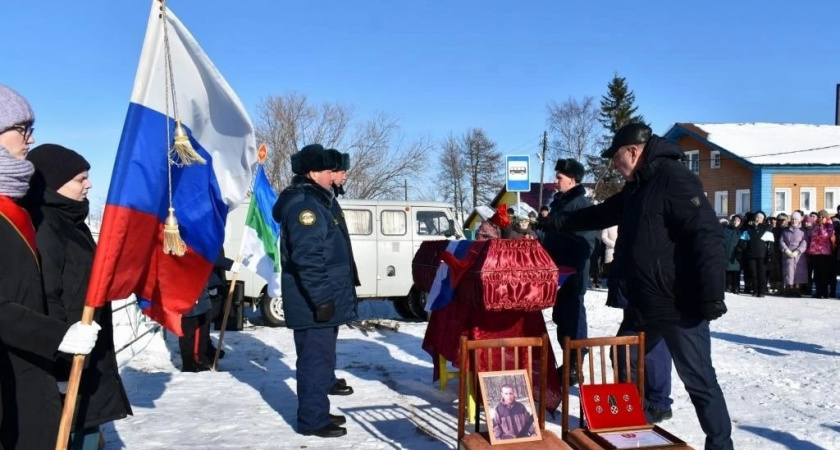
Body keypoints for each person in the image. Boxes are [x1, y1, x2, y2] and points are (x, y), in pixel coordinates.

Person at [540, 123, 734, 450]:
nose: (615, 165)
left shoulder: (674, 179)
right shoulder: (636, 187)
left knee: (699, 381)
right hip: (644, 303)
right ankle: (634, 426)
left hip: (679, 302)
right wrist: (556, 221)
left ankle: (720, 445)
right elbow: (600, 214)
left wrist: (712, 293)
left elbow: (707, 235)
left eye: (617, 157)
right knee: (622, 355)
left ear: (633, 151)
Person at [0, 85, 101, 450]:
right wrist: (55, 336)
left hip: (28, 375)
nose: (30, 138)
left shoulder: (16, 208)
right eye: (21, 128)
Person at [23, 144, 133, 449]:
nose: (89, 184)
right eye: (80, 178)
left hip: (86, 352)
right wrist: (59, 359)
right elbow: (46, 296)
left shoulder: (72, 221)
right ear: (54, 184)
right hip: (66, 357)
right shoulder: (44, 225)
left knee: (87, 432)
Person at [273, 144, 358, 438]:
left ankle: (317, 411)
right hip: (312, 303)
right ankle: (312, 420)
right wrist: (322, 298)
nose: (333, 173)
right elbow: (308, 258)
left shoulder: (317, 200)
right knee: (314, 362)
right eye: (327, 169)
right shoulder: (305, 207)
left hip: (321, 299)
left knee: (320, 361)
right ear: (313, 173)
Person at [541, 158, 595, 385]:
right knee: (561, 318)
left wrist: (567, 264)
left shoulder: (581, 206)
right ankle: (569, 360)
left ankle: (576, 364)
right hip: (557, 273)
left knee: (574, 319)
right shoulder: (559, 203)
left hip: (572, 273)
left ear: (572, 180)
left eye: (559, 177)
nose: (555, 181)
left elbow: (586, 243)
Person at [323, 148, 358, 397]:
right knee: (320, 344)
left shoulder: (330, 200)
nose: (345, 176)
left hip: (335, 285)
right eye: (342, 171)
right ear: (330, 172)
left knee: (328, 341)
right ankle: (322, 382)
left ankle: (327, 378)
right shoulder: (317, 203)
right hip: (325, 287)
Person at [806, 210, 835, 299]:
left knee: (824, 274)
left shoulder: (829, 226)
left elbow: (825, 235)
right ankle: (818, 292)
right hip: (815, 253)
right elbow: (813, 236)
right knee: (817, 274)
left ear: (826, 218)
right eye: (820, 217)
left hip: (824, 253)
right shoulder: (816, 226)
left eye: (823, 217)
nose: (821, 218)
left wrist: (821, 226)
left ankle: (824, 292)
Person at [779, 212, 808, 297]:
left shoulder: (803, 231)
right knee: (789, 272)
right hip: (787, 254)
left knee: (798, 272)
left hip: (799, 256)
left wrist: (798, 251)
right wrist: (785, 250)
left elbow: (805, 242)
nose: (793, 221)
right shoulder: (785, 231)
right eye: (792, 219)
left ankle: (797, 289)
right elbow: (781, 241)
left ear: (799, 220)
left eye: (795, 219)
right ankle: (788, 288)